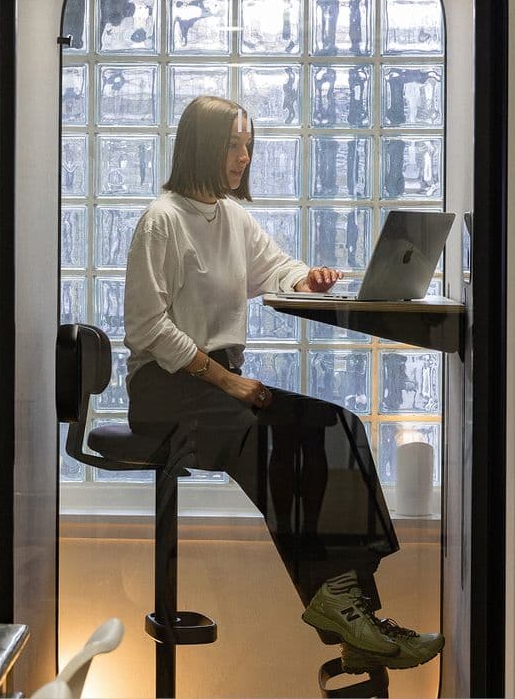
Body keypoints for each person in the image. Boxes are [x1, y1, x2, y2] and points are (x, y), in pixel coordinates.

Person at [123, 95, 443, 674]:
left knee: (334, 425)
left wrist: (310, 277)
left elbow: (274, 268)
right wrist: (228, 382)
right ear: (201, 146)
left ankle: (357, 614)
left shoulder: (232, 219)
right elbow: (146, 329)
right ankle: (343, 609)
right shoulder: (162, 220)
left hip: (215, 384)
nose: (244, 156)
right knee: (268, 441)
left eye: (249, 145)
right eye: (233, 145)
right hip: (166, 386)